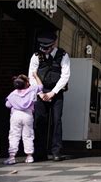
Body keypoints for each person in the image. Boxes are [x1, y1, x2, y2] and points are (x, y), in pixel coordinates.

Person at [28, 31, 70, 162]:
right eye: (43, 48)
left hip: (56, 92)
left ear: (54, 44)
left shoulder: (63, 55)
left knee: (56, 121)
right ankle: (40, 153)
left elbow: (65, 76)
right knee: (40, 120)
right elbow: (32, 75)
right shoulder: (36, 56)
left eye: (47, 48)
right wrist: (40, 93)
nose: (45, 50)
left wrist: (53, 92)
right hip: (40, 91)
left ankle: (56, 152)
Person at [4, 73, 43, 165]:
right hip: (28, 115)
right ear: (27, 83)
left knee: (14, 135)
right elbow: (41, 86)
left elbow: (7, 105)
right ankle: (29, 156)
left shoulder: (12, 94)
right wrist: (36, 76)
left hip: (16, 115)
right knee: (28, 135)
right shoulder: (32, 90)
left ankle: (12, 157)